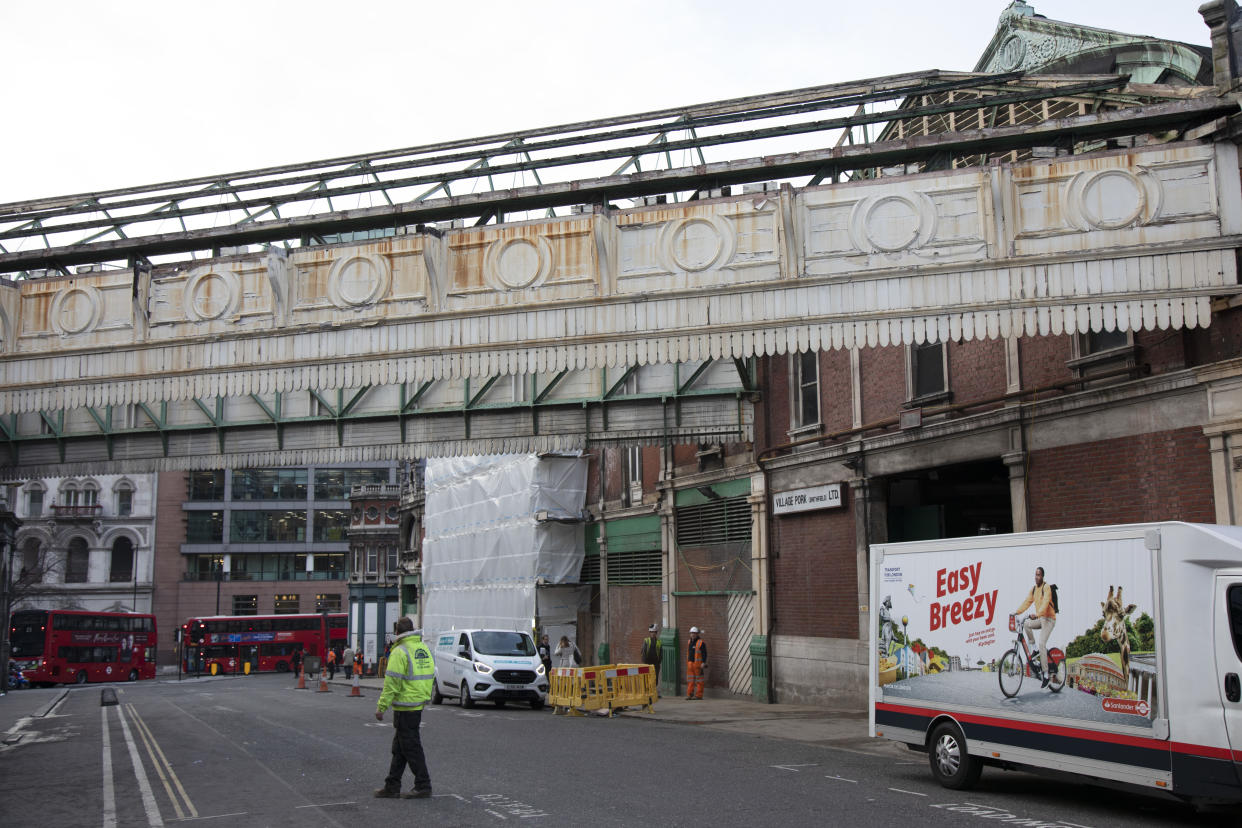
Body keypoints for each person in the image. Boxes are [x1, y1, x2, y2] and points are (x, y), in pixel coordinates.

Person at [374, 617, 434, 799]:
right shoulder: (422, 648)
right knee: (400, 747)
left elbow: (391, 683)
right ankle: (392, 785)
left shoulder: (400, 652)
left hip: (405, 706)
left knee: (411, 747)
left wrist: (381, 707)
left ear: (397, 633)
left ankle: (423, 785)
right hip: (417, 703)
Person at [1014, 565, 1057, 688]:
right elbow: (1027, 602)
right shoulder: (1034, 589)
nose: (1036, 577)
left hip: (1049, 619)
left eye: (1039, 575)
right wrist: (1016, 612)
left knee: (1042, 643)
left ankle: (1046, 675)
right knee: (1026, 624)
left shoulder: (1046, 587)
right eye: (1035, 574)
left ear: (1042, 576)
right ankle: (1034, 649)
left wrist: (1037, 614)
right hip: (1040, 618)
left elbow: (1045, 604)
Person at [686, 626, 707, 700]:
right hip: (690, 664)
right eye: (692, 633)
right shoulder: (689, 642)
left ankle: (699, 695)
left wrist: (703, 662)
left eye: (694, 633)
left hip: (698, 665)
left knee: (699, 681)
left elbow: (704, 653)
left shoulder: (701, 643)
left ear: (697, 634)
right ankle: (689, 694)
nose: (693, 635)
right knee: (690, 680)